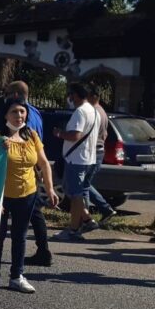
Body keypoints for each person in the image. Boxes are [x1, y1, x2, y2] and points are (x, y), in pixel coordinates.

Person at [0, 98, 59, 294]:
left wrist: (50, 189)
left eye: (22, 112)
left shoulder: (31, 135)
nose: (19, 116)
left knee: (20, 235)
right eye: (14, 112)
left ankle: (17, 276)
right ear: (6, 115)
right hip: (2, 195)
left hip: (28, 193)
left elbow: (43, 163)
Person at [6, 80, 52, 267]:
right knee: (35, 212)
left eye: (7, 93)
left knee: (33, 213)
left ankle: (43, 250)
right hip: (31, 167)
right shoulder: (36, 112)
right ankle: (43, 250)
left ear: (15, 95)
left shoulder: (21, 115)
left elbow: (27, 140)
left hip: (25, 169)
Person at [53, 82, 100, 241]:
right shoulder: (94, 111)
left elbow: (75, 136)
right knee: (75, 192)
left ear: (76, 95)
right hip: (88, 159)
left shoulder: (80, 112)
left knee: (75, 195)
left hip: (76, 160)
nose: (69, 98)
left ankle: (73, 229)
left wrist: (59, 133)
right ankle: (87, 219)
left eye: (70, 94)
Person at [84, 86, 116, 228]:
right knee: (85, 184)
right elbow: (106, 134)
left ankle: (84, 218)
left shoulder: (93, 112)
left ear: (92, 97)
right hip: (99, 150)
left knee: (82, 186)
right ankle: (104, 209)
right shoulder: (102, 111)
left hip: (92, 151)